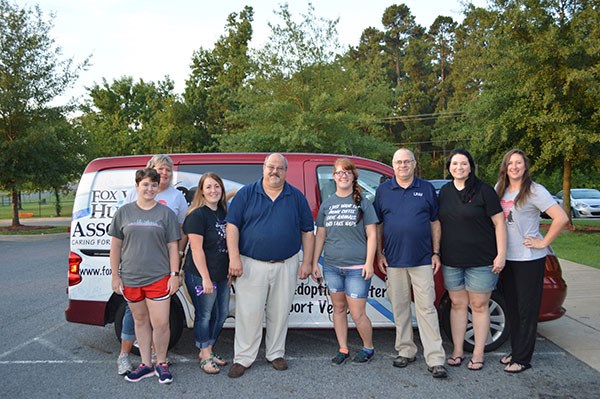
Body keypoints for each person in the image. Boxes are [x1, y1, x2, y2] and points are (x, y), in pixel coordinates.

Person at [225, 153, 315, 378]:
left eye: (280, 168)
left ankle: (275, 353)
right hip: (251, 264)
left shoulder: (295, 196)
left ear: (286, 171)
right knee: (249, 313)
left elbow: (307, 231)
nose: (274, 172)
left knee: (280, 311)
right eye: (271, 167)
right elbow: (232, 226)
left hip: (287, 264)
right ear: (263, 168)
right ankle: (243, 358)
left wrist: (308, 262)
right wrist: (234, 258)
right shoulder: (246, 194)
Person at [374, 148, 448, 379]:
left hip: (422, 259)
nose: (403, 166)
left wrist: (436, 253)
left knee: (426, 308)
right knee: (400, 308)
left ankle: (435, 358)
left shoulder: (426, 189)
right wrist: (379, 254)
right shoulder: (383, 190)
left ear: (415, 164)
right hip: (394, 260)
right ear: (393, 165)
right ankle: (406, 350)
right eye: (398, 162)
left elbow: (435, 222)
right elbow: (378, 225)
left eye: (407, 162)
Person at [495, 149, 568, 373]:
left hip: (529, 259)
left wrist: (543, 242)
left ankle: (523, 359)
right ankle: (516, 351)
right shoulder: (500, 189)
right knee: (514, 309)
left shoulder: (535, 190)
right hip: (507, 258)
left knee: (527, 309)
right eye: (510, 163)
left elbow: (561, 217)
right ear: (505, 167)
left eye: (518, 163)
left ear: (525, 166)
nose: (514, 167)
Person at [117, 155, 188, 375]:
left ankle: (161, 362)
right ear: (138, 185)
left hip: (160, 272)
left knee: (160, 322)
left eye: (153, 184)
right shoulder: (126, 208)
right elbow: (117, 242)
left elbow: (178, 237)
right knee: (138, 319)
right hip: (132, 274)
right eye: (146, 184)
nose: (150, 188)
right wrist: (114, 275)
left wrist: (176, 268)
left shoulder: (172, 203)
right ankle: (139, 361)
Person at [438, 149, 507, 371]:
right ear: (449, 167)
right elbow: (438, 225)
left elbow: (499, 224)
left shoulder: (484, 190)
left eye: (464, 164)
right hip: (452, 260)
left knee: (479, 306)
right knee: (458, 305)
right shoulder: (445, 192)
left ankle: (478, 354)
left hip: (481, 261)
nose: (459, 167)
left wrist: (501, 254)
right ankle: (458, 351)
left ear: (471, 166)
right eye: (455, 164)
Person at [311, 158, 379, 366]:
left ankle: (368, 347)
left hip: (357, 267)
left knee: (358, 313)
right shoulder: (328, 203)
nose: (343, 176)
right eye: (339, 172)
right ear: (334, 176)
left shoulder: (363, 202)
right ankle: (343, 348)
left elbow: (372, 235)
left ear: (353, 176)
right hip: (332, 267)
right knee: (338, 309)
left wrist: (369, 263)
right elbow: (320, 236)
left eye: (347, 172)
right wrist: (315, 263)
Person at [183, 172, 230, 374]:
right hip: (201, 275)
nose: (213, 190)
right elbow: (196, 249)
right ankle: (204, 354)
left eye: (217, 186)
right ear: (202, 191)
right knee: (204, 315)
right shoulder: (197, 216)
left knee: (221, 314)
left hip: (221, 274)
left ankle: (209, 348)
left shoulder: (223, 213)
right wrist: (205, 278)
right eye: (209, 187)